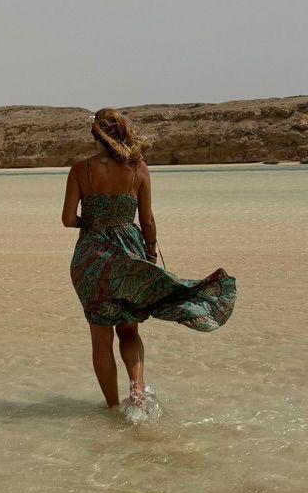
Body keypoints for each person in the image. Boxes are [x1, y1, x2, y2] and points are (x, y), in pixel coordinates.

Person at [61, 108, 236, 410]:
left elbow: (67, 219)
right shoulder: (137, 168)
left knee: (100, 340)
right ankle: (138, 393)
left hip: (91, 259)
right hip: (130, 255)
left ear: (95, 135)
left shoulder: (80, 170)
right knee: (129, 330)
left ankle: (112, 408)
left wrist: (94, 223)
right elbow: (148, 220)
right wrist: (151, 253)